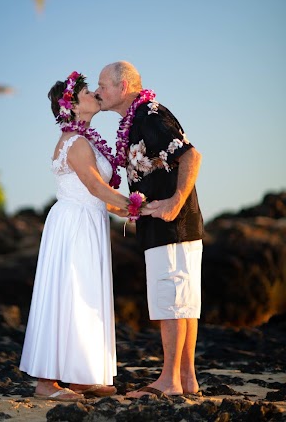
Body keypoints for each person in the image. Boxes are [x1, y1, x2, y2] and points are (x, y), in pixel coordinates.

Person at [19, 71, 133, 401]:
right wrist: (136, 206)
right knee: (69, 294)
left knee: (85, 296)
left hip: (89, 220)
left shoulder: (83, 138)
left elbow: (99, 194)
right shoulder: (76, 142)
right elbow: (96, 186)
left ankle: (81, 376)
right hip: (75, 224)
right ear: (70, 104)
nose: (95, 94)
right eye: (87, 92)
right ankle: (46, 382)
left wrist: (122, 210)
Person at [95, 61, 204, 398]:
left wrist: (173, 202)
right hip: (169, 225)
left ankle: (169, 381)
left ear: (123, 86)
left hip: (171, 223)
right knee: (182, 301)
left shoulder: (150, 116)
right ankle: (186, 380)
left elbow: (191, 156)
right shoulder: (137, 120)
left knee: (170, 300)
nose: (98, 91)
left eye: (103, 84)